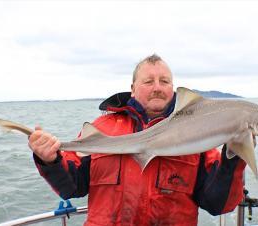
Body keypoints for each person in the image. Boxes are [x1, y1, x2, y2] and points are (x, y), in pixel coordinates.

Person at [28, 54, 246, 226]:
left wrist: (234, 155)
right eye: (148, 81)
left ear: (173, 88)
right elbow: (72, 186)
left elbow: (219, 204)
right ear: (132, 89)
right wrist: (50, 160)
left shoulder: (198, 133)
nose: (157, 87)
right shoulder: (103, 128)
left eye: (164, 81)